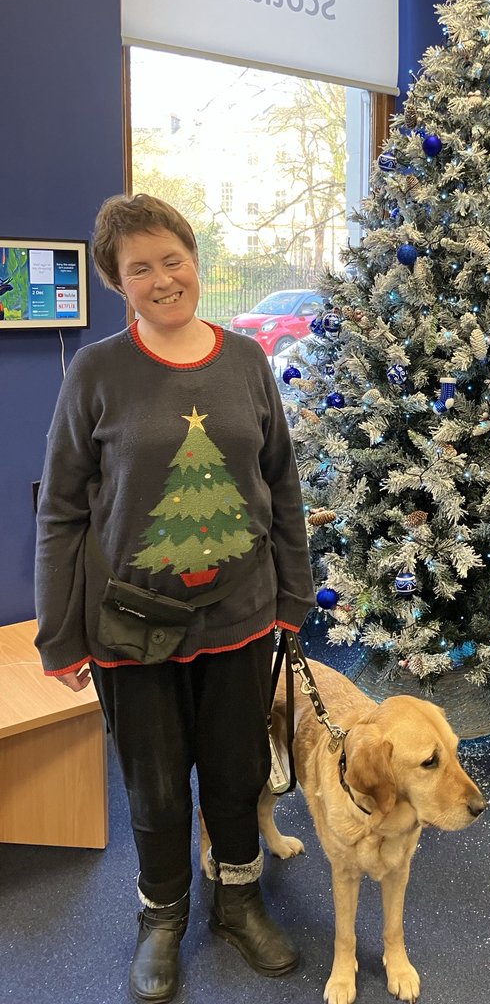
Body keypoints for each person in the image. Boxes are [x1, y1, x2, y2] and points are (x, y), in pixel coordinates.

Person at [34, 194, 316, 1001]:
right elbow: (61, 511)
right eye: (140, 269)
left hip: (241, 616)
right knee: (155, 789)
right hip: (131, 626)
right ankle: (161, 915)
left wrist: (293, 593)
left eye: (173, 259)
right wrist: (60, 634)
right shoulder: (95, 372)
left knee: (235, 773)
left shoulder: (247, 361)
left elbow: (281, 484)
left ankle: (239, 900)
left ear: (195, 259)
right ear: (117, 283)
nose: (162, 279)